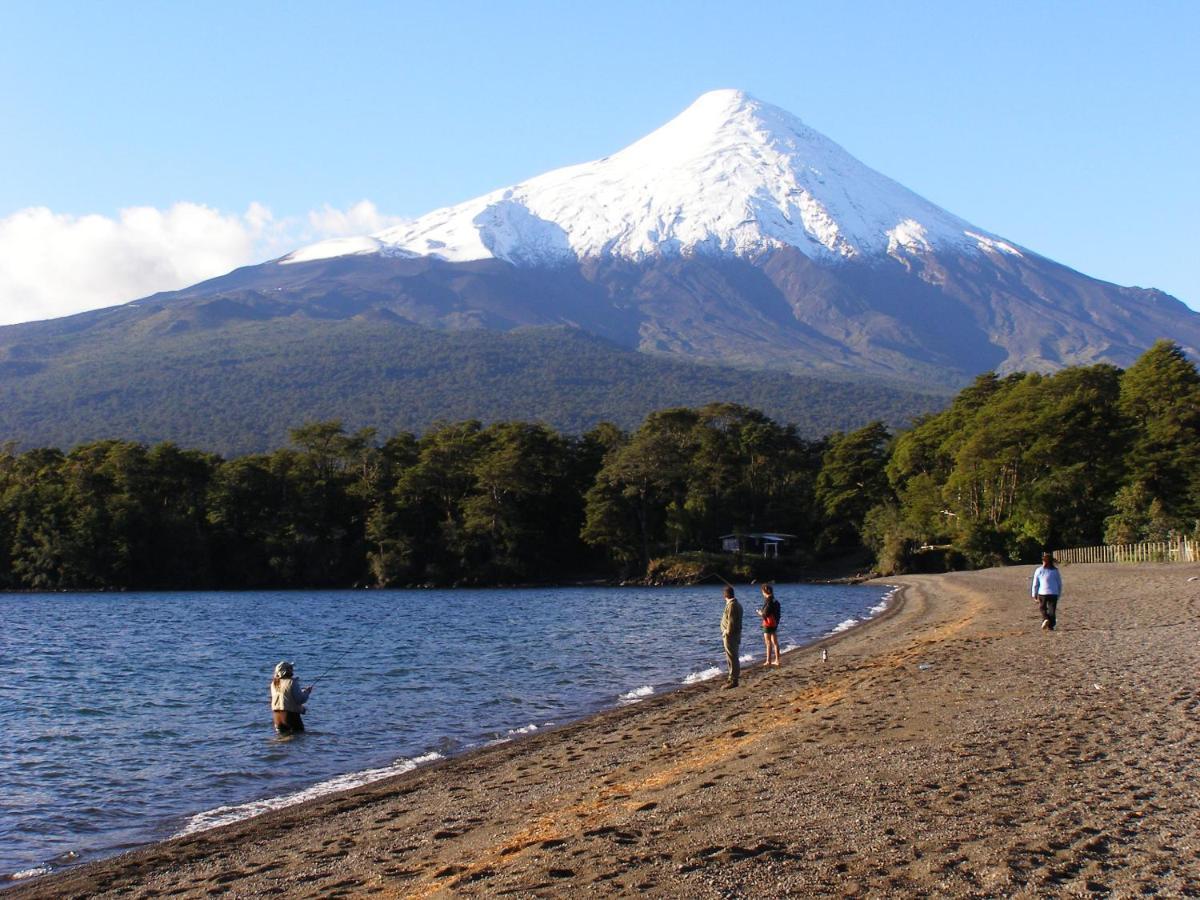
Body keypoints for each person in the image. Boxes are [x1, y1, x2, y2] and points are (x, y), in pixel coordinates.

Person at [270, 661, 313, 734]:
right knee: (298, 739)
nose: (292, 669)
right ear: (286, 671)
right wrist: (307, 692)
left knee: (282, 741)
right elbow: (300, 699)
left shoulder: (274, 683)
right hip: (290, 717)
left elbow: (285, 698)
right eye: (290, 668)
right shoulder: (292, 682)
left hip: (277, 717)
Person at [1031, 552, 1063, 631]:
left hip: (1043, 592)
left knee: (1043, 608)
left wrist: (1034, 593)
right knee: (1052, 609)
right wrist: (1059, 593)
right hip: (1053, 593)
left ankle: (1045, 618)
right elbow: (1059, 583)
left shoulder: (1039, 570)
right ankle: (1051, 626)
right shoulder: (1055, 571)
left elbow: (1035, 583)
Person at [720, 585, 743, 688]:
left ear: (725, 595)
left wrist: (726, 632)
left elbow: (731, 622)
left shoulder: (732, 605)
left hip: (730, 636)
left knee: (732, 657)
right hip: (734, 635)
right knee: (732, 657)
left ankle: (733, 680)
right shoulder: (736, 604)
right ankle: (732, 678)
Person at [758, 583, 782, 667]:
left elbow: (765, 614)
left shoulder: (769, 600)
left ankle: (768, 661)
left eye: (762, 592)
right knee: (775, 642)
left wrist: (760, 612)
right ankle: (777, 660)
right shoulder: (775, 600)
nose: (762, 593)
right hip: (774, 624)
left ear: (765, 592)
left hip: (768, 625)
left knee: (768, 643)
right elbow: (777, 613)